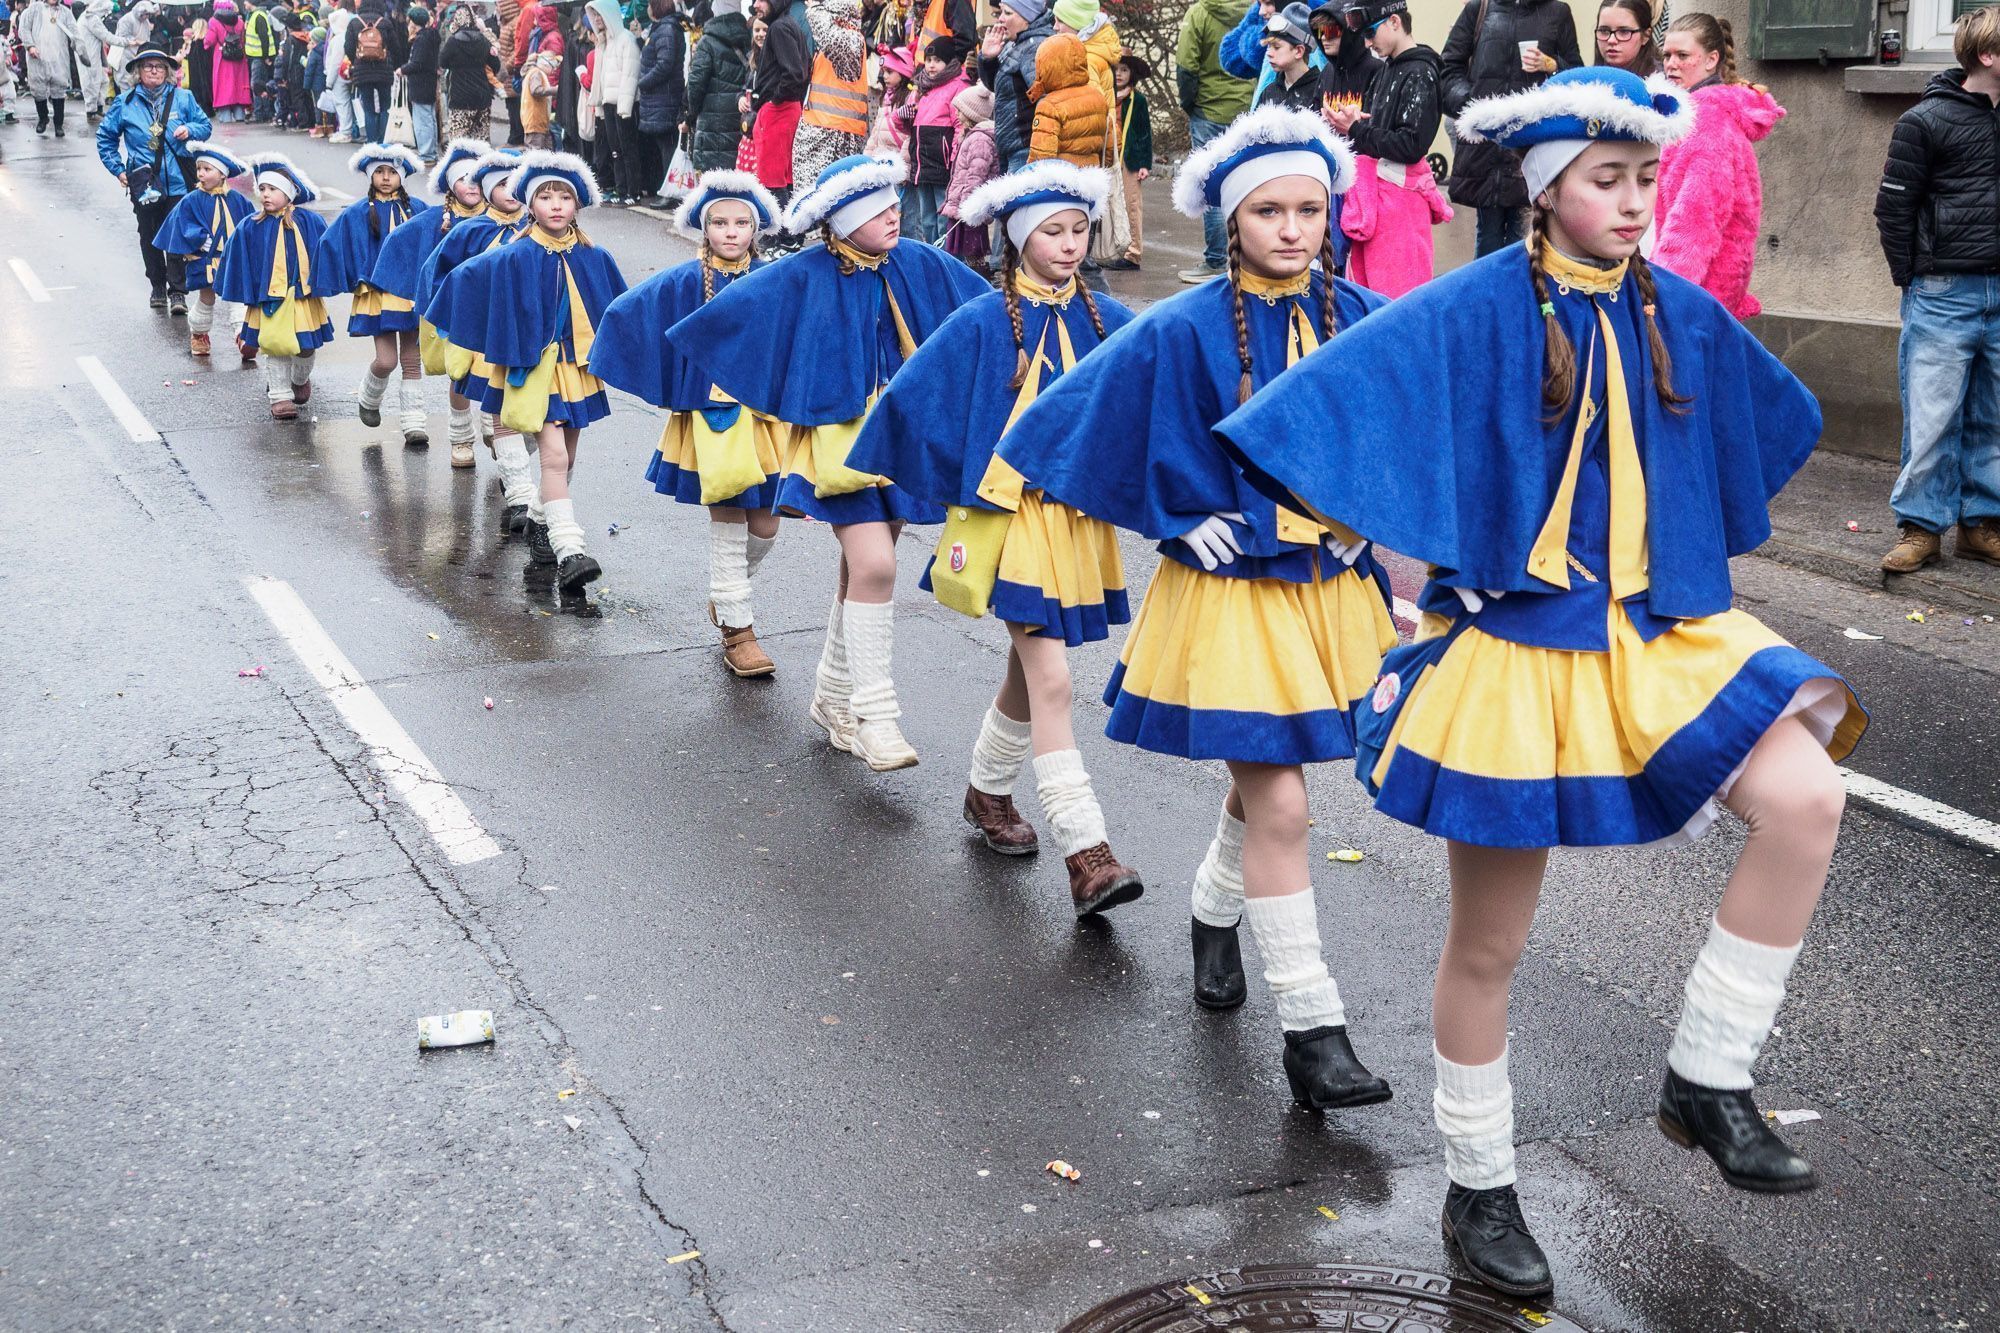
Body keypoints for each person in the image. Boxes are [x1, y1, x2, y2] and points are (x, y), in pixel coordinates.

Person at [1215, 66, 1868, 1300]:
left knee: (1806, 799)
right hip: (1515, 643)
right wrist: (1398, 525)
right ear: (1544, 188)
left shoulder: (1675, 308)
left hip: (1663, 626)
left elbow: (1770, 418)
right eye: (1605, 180)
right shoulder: (1468, 307)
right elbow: (1315, 417)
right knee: (1490, 942)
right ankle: (1478, 1184)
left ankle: (1707, 1075)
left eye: (1643, 179)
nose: (1631, 201)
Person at [1003, 106, 1397, 1108]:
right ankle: (1312, 1030)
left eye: (1310, 209)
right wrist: (1172, 517)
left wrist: (1370, 513)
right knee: (1284, 802)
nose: (1292, 229)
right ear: (1231, 219)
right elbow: (1067, 424)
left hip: (1329, 588)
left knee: (1271, 774)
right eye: (1268, 210)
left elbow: (1411, 429)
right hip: (1228, 596)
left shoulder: (1363, 313)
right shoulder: (1180, 326)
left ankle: (1213, 910)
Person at [850, 162, 1147, 909]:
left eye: (1080, 230)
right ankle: (1087, 850)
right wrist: (933, 479)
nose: (1070, 244)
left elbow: (1166, 384)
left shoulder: (1109, 319)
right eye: (1053, 232)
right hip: (1010, 521)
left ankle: (987, 789)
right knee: (1054, 678)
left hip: (1076, 519)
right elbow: (912, 401)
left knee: (1028, 664)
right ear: (1016, 241)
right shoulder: (983, 321)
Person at [666, 154, 990, 769]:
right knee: (877, 565)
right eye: (877, 209)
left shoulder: (921, 263)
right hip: (837, 443)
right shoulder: (804, 273)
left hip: (901, 437)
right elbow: (725, 323)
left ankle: (834, 695)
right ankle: (875, 716)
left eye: (894, 203)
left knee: (864, 567)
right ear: (839, 221)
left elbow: (988, 317)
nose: (895, 215)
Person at [594, 171, 787, 673]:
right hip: (710, 417)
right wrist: (660, 379)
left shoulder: (775, 278)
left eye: (741, 223)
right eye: (719, 222)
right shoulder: (683, 281)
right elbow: (625, 314)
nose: (730, 231)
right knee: (728, 515)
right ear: (704, 228)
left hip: (765, 418)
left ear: (756, 228)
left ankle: (726, 595)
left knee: (766, 525)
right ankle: (738, 630)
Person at [429, 151, 629, 591]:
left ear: (578, 204)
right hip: (533, 369)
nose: (556, 205)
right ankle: (569, 549)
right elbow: (460, 280)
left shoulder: (594, 256)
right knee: (554, 456)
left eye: (565, 197)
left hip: (576, 369)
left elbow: (620, 308)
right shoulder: (513, 255)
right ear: (530, 203)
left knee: (567, 457)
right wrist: (459, 326)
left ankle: (540, 524)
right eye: (545, 196)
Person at [1874, 4, 2000, 573]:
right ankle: (1921, 528)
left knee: (1993, 417)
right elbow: (1893, 208)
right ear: (1988, 55)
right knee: (1934, 417)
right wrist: (1915, 279)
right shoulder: (1923, 121)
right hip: (1943, 292)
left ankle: (1981, 525)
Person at [371, 139, 494, 464]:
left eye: (476, 178)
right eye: (463, 178)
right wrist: (412, 289)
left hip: (493, 308)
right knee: (460, 374)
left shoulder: (498, 217)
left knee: (496, 370)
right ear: (450, 184)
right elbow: (400, 242)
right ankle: (461, 438)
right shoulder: (436, 219)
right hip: (455, 311)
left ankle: (494, 426)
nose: (471, 185)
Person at [1653, 14, 1780, 322]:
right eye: (1667, 55)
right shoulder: (1700, 114)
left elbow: (1694, 224)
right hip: (1712, 290)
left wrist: (1660, 295)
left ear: (1712, 60)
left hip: (1696, 296)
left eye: (1683, 55)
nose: (1671, 64)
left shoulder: (1706, 121)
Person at [421, 148, 534, 480]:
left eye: (515, 184)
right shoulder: (469, 230)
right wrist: (448, 314)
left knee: (511, 380)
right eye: (501, 185)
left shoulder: (533, 228)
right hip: (475, 321)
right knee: (463, 378)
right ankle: (461, 437)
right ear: (486, 190)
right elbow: (438, 270)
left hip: (518, 322)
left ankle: (502, 434)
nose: (509, 192)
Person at [1326, 0, 1448, 298]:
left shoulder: (1420, 72)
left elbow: (1410, 145)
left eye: (1370, 32)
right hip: (1378, 202)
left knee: (1398, 298)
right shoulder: (1386, 70)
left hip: (1401, 206)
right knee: (1368, 296)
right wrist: (1355, 122)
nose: (1368, 43)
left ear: (1395, 21)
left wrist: (1355, 129)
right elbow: (1381, 132)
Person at [1439, 0, 1580, 256]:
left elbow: (1576, 75)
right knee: (1488, 233)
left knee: (1524, 233)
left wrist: (1552, 65)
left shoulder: (1558, 12)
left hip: (1531, 144)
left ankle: (1521, 282)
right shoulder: (1479, 8)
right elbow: (1448, 69)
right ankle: (1487, 283)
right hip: (1487, 145)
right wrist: (1474, 105)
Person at [316, 143, 434, 447]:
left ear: (401, 176)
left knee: (412, 359)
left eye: (391, 172)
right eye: (379, 172)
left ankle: (414, 423)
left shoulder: (418, 209)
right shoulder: (357, 212)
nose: (385, 177)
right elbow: (333, 243)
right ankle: (369, 397)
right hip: (378, 294)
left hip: (410, 294)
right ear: (370, 176)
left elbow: (437, 240)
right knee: (386, 360)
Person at [216, 153, 336, 419]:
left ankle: (299, 378)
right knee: (275, 346)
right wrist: (246, 292)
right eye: (262, 189)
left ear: (289, 194)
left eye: (273, 189)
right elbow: (237, 260)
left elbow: (327, 252)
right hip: (269, 299)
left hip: (302, 297)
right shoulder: (250, 226)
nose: (266, 194)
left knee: (306, 346)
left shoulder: (310, 222)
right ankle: (280, 396)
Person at [97, 45, 211, 313]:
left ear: (167, 71)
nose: (154, 70)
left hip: (179, 180)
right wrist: (118, 170)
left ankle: (178, 291)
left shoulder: (183, 98)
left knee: (177, 235)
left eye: (160, 66)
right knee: (149, 235)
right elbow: (105, 138)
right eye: (148, 66)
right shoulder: (124, 103)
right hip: (144, 182)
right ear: (138, 71)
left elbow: (205, 126)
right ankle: (158, 286)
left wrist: (190, 129)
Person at [1173, 0, 1254, 282]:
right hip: (1245, 107)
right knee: (1246, 185)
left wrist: (1190, 105)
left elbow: (1186, 66)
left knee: (1211, 185)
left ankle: (1216, 260)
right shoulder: (1255, 10)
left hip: (1208, 110)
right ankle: (1248, 258)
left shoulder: (1200, 13)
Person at [151, 140, 255, 358]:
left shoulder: (238, 200)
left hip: (232, 259)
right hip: (204, 260)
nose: (201, 173)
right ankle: (199, 334)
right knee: (207, 297)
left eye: (207, 169)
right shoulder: (191, 200)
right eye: (199, 168)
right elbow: (181, 223)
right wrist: (198, 239)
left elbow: (251, 224)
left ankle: (244, 336)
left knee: (237, 296)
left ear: (222, 174)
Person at [793, 0, 868, 185]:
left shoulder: (851, 40)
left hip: (836, 135)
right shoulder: (842, 41)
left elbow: (830, 38)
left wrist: (815, 9)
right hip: (823, 131)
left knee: (824, 194)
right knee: (812, 194)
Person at [980, 0, 1055, 173]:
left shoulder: (1035, 48)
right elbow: (998, 87)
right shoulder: (1017, 44)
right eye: (1000, 12)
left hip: (1026, 150)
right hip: (1014, 147)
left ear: (1027, 17)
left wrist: (1040, 147)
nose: (1000, 19)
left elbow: (1046, 101)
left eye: (1007, 13)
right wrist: (988, 59)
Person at [748, 0, 809, 205]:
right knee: (785, 179)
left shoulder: (779, 28)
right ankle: (788, 223)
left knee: (772, 181)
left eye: (761, 0)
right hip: (788, 107)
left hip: (779, 110)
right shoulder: (788, 24)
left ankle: (779, 225)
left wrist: (774, 100)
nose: (756, 5)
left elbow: (794, 74)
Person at [579, 0, 640, 203]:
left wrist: (625, 107)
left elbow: (630, 75)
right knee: (615, 149)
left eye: (599, 14)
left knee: (628, 148)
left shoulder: (626, 39)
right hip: (608, 103)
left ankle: (633, 191)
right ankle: (621, 190)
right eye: (594, 15)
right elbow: (600, 78)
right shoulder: (603, 43)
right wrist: (599, 104)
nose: (596, 19)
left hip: (624, 104)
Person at [681, 0, 750, 170]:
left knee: (713, 177)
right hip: (740, 119)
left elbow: (695, 85)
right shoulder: (747, 38)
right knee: (736, 175)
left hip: (711, 125)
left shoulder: (707, 42)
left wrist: (693, 113)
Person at [939, 80, 999, 270]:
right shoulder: (971, 135)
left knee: (971, 251)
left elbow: (975, 176)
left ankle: (976, 276)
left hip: (967, 209)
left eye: (960, 111)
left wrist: (966, 206)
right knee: (960, 251)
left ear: (972, 113)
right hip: (962, 207)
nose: (957, 114)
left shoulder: (980, 139)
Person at [634, 0, 686, 205]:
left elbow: (664, 64)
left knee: (668, 146)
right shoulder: (662, 29)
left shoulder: (666, 29)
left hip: (664, 98)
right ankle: (664, 189)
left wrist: (643, 82)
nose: (647, 9)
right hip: (660, 98)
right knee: (663, 146)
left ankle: (670, 194)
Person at [1026, 33, 1105, 165]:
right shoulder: (1098, 97)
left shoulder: (1049, 106)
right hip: (1091, 173)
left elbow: (1041, 157)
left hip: (1062, 174)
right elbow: (1109, 144)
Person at [1106, 53, 1150, 270]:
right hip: (1108, 157)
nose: (1119, 74)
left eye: (1124, 70)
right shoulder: (1105, 96)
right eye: (1116, 69)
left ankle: (1133, 254)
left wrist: (1144, 164)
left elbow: (1144, 133)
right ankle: (1111, 249)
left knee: (1131, 205)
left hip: (1129, 158)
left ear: (1131, 73)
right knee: (1107, 204)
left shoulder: (1137, 100)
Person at [438, 1, 499, 142]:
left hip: (460, 98)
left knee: (459, 142)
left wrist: (457, 64)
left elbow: (442, 62)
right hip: (482, 97)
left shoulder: (453, 41)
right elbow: (496, 65)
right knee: (480, 141)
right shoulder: (483, 40)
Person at [343, 0, 403, 143]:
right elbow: (395, 47)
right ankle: (383, 141)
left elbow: (348, 47)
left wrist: (356, 61)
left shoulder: (355, 23)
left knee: (368, 108)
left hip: (362, 70)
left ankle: (371, 141)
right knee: (385, 107)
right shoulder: (385, 23)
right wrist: (394, 64)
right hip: (384, 69)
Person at [19, 0, 78, 135]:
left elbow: (75, 32)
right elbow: (24, 29)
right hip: (37, 58)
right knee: (38, 90)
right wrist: (30, 46)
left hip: (58, 58)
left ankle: (58, 125)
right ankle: (43, 118)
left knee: (59, 90)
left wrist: (81, 49)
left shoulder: (65, 12)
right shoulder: (34, 9)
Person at [1255, 3, 1319, 112]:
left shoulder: (1320, 91)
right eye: (1269, 46)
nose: (1269, 53)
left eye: (1276, 47)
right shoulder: (1269, 92)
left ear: (1299, 51)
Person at [402, 6, 441, 160]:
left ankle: (426, 153)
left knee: (422, 120)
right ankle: (431, 151)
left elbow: (417, 63)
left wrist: (402, 69)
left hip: (420, 84)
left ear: (414, 22)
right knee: (429, 118)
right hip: (429, 82)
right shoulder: (432, 36)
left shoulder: (421, 40)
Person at [205, 0, 252, 122]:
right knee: (238, 85)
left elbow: (209, 40)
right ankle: (240, 115)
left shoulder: (213, 21)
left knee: (223, 86)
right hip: (238, 57)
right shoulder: (239, 21)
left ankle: (225, 117)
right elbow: (243, 39)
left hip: (222, 57)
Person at [1593, 0, 1659, 76]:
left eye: (1624, 31)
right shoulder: (1586, 80)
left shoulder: (1661, 80)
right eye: (1604, 31)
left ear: (1646, 36)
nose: (1611, 40)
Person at [77, 0, 113, 122]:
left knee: (103, 81)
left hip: (95, 55)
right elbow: (105, 35)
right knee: (91, 83)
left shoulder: (93, 18)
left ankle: (98, 108)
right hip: (89, 56)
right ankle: (91, 111)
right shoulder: (90, 18)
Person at [243, 0, 279, 121]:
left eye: (246, 1)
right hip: (257, 56)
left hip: (259, 57)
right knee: (261, 84)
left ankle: (260, 113)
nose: (244, 3)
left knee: (257, 85)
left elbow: (264, 39)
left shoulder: (258, 16)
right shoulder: (256, 15)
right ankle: (264, 113)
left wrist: (265, 57)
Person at [110, 0, 157, 90]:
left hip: (138, 55)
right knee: (125, 81)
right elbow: (123, 37)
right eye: (146, 14)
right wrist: (137, 41)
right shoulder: (126, 20)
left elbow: (147, 36)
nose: (147, 17)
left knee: (137, 81)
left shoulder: (145, 22)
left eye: (148, 14)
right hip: (125, 55)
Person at [521, 47, 558, 148]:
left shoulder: (536, 73)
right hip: (535, 122)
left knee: (545, 151)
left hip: (539, 123)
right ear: (546, 65)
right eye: (553, 67)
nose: (554, 71)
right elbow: (536, 90)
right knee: (535, 152)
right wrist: (555, 90)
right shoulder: (536, 73)